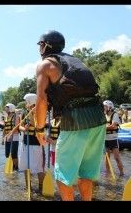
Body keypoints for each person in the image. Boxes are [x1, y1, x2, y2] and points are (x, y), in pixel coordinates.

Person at [34, 30, 106, 201]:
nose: (39, 49)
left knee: (63, 176)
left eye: (40, 45)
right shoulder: (76, 61)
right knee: (86, 173)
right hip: (98, 118)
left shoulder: (45, 65)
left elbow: (42, 99)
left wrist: (39, 128)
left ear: (45, 45)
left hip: (75, 121)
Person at [19, 94, 45, 193]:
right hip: (25, 143)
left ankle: (41, 186)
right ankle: (28, 185)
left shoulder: (39, 112)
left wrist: (32, 115)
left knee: (39, 167)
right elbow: (20, 126)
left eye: (26, 101)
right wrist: (24, 129)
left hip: (36, 143)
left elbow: (38, 126)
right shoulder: (24, 113)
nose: (25, 103)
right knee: (25, 165)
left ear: (30, 101)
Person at [103, 100, 124, 176]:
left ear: (109, 107)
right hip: (105, 139)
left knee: (117, 158)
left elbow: (113, 126)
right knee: (107, 158)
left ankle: (122, 173)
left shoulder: (115, 115)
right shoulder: (104, 115)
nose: (104, 108)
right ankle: (107, 174)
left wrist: (103, 128)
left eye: (105, 107)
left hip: (113, 139)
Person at [2, 103, 20, 171]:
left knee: (13, 154)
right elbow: (4, 128)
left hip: (14, 136)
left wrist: (11, 134)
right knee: (7, 154)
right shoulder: (6, 117)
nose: (5, 109)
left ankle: (16, 167)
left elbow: (16, 126)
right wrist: (2, 139)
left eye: (6, 107)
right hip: (7, 137)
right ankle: (11, 167)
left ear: (10, 108)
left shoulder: (15, 116)